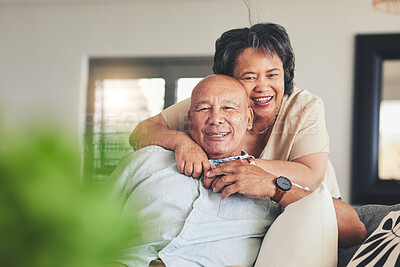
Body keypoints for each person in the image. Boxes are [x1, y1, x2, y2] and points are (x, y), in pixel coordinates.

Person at [109, 75, 366, 267]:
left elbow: (354, 228)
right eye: (203, 108)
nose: (215, 118)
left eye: (229, 108)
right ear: (189, 117)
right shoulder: (147, 161)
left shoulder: (267, 186)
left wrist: (273, 186)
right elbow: (83, 225)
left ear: (249, 119)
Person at [129, 22, 341, 197]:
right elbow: (140, 133)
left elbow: (311, 176)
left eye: (272, 75)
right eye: (249, 77)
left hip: (313, 204)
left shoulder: (304, 107)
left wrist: (245, 168)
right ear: (228, 80)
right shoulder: (211, 106)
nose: (263, 87)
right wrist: (180, 142)